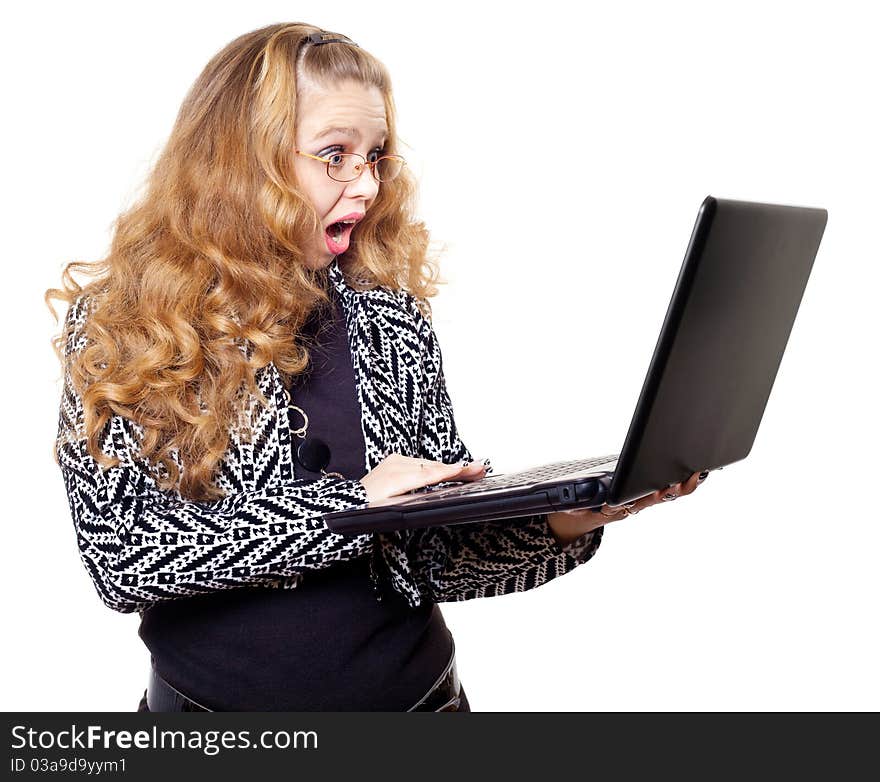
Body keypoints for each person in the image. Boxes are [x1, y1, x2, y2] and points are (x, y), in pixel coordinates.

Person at [46, 23, 708, 712]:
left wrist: (573, 515)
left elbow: (433, 556)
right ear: (241, 161)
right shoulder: (128, 324)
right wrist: (354, 504)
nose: (365, 185)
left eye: (376, 156)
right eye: (335, 155)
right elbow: (121, 559)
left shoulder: (387, 316)